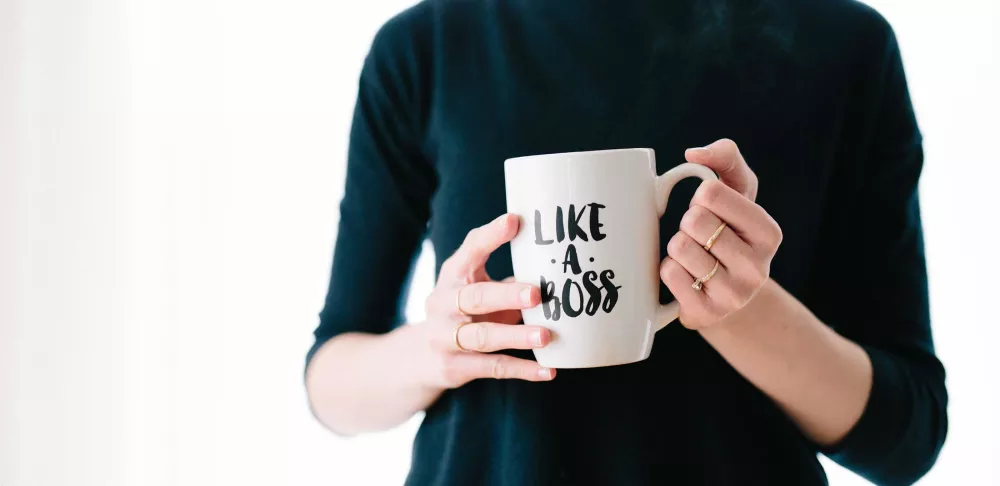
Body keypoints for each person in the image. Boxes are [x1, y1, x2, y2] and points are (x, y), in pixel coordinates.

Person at [304, 0, 948, 484]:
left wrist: (742, 310)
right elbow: (330, 382)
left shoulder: (843, 46)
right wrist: (437, 349)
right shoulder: (426, 48)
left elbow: (906, 435)